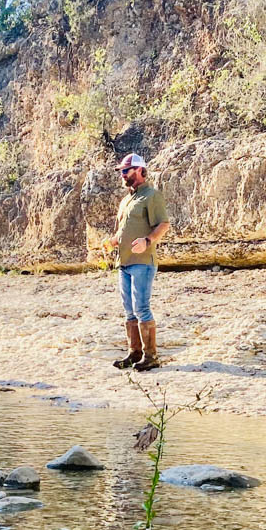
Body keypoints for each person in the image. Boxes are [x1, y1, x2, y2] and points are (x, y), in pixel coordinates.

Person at [102, 153, 171, 371]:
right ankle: (135, 353)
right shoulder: (126, 200)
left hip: (143, 261)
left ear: (140, 170)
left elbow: (163, 225)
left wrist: (148, 240)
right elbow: (123, 230)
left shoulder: (152, 195)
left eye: (126, 171)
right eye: (121, 171)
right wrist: (112, 241)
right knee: (129, 311)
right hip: (123, 262)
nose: (122, 175)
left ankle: (151, 357)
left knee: (142, 308)